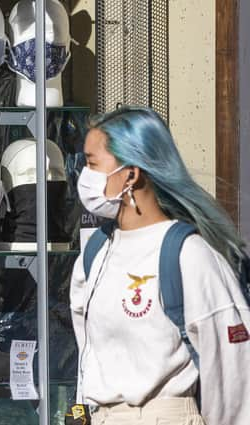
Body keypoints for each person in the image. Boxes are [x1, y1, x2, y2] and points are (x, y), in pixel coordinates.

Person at [70, 106, 250, 424]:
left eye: (92, 163)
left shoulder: (189, 255)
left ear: (131, 173)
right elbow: (88, 361)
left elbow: (233, 373)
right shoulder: (94, 253)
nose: (84, 176)